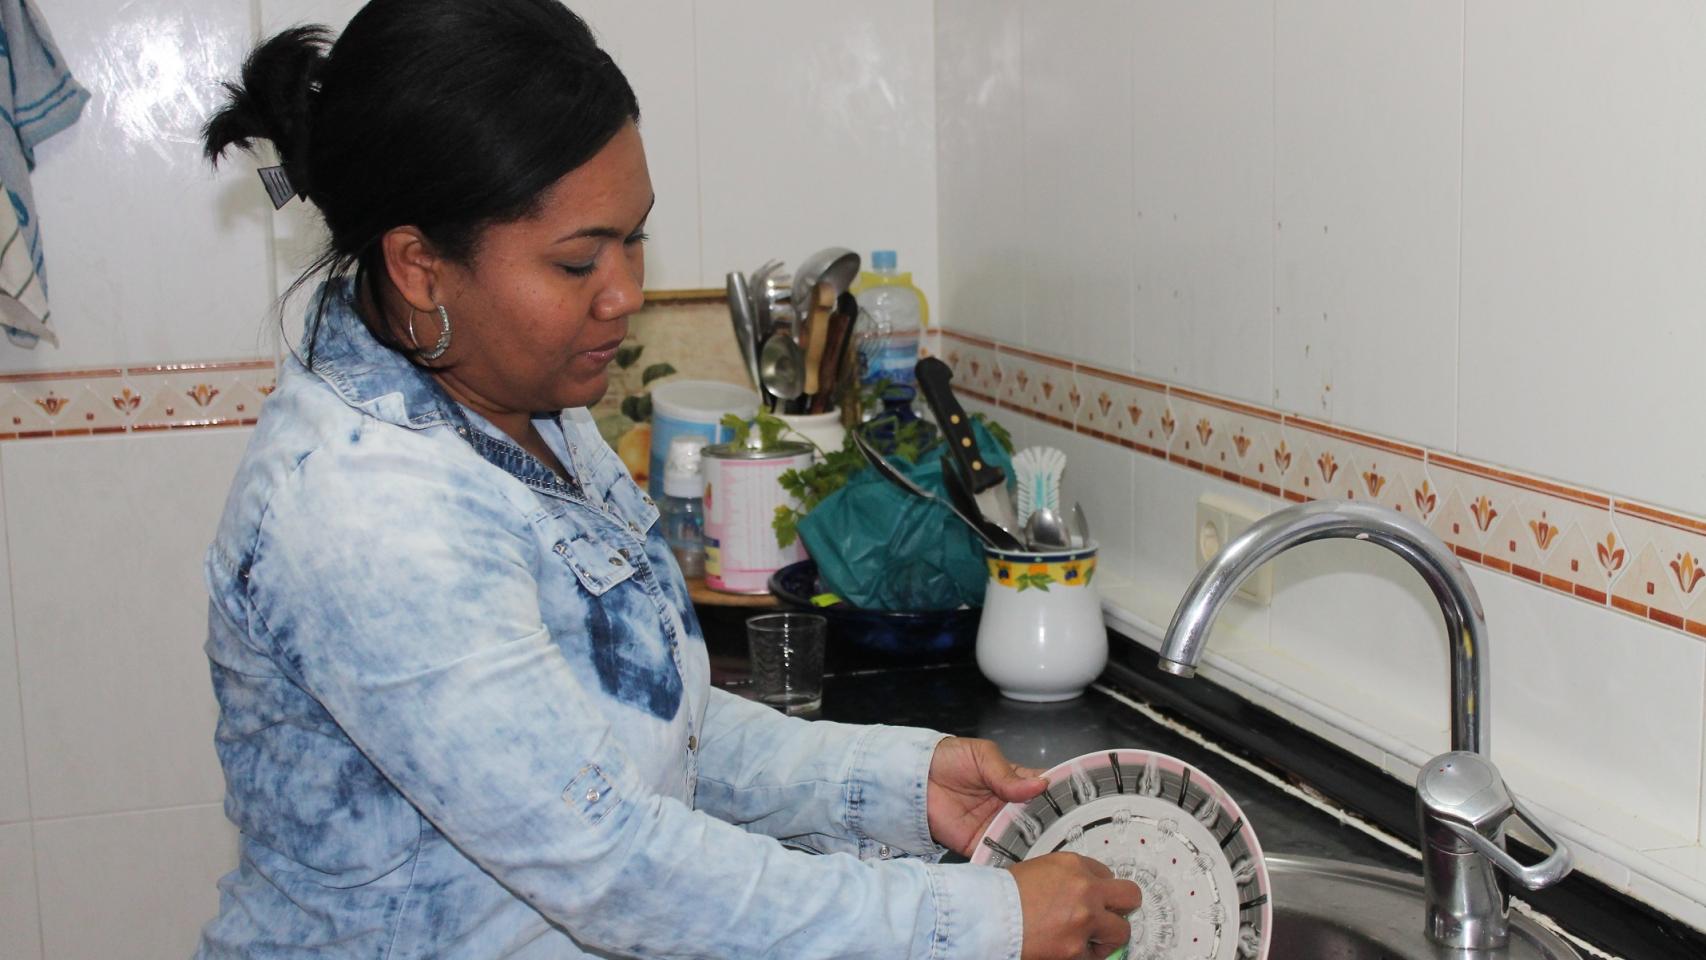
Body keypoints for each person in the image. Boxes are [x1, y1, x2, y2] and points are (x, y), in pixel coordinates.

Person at [196, 1, 1141, 957]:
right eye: (576, 261)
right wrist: (979, 923)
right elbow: (613, 864)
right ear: (420, 268)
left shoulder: (522, 407)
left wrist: (894, 783)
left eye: (632, 239)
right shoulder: (367, 511)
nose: (624, 293)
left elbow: (648, 730)